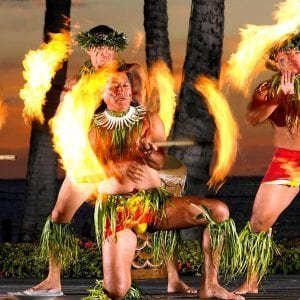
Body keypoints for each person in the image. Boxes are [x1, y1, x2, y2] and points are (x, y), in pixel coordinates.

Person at [23, 25, 197, 296]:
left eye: (108, 48)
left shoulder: (131, 71)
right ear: (89, 50)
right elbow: (69, 121)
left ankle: (173, 278)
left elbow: (135, 106)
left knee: (160, 210)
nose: (104, 53)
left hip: (129, 154)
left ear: (115, 49)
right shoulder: (77, 82)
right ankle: (52, 280)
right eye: (98, 48)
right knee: (59, 215)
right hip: (93, 160)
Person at [235, 32, 300, 295]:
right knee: (260, 222)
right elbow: (252, 117)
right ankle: (251, 282)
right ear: (277, 59)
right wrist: (280, 98)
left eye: (298, 51)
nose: (295, 57)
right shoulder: (267, 89)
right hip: (290, 162)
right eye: (288, 53)